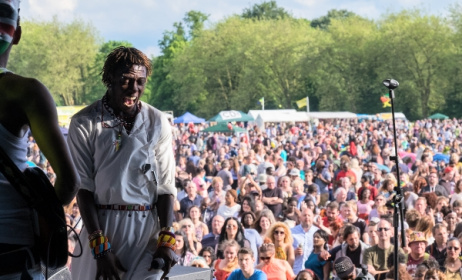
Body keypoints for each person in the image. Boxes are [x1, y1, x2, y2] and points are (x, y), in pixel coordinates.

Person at [68, 47, 177, 279]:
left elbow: (166, 186)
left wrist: (166, 239)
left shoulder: (158, 121)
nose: (134, 89)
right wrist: (99, 247)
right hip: (101, 230)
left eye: (140, 82)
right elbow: (83, 188)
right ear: (110, 79)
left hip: (147, 232)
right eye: (125, 81)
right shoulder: (84, 122)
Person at [0, 1, 80, 278]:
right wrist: (44, 223)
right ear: (17, 34)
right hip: (13, 248)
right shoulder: (26, 92)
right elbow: (70, 180)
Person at [291, 207, 320, 274]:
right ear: (300, 218)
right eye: (304, 215)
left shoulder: (318, 232)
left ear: (313, 218)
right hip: (296, 271)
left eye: (309, 215)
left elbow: (324, 249)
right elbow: (285, 250)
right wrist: (294, 252)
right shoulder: (292, 232)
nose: (307, 217)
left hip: (313, 271)